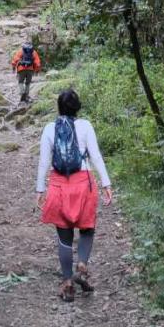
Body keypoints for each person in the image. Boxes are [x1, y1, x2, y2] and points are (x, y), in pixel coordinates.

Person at [36, 89, 113, 302]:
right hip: (83, 182)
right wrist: (106, 183)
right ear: (77, 107)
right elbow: (95, 156)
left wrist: (40, 189)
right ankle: (82, 264)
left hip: (60, 185)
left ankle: (68, 282)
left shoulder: (50, 129)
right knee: (87, 227)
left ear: (59, 108)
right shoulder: (86, 126)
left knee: (64, 236)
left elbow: (44, 162)